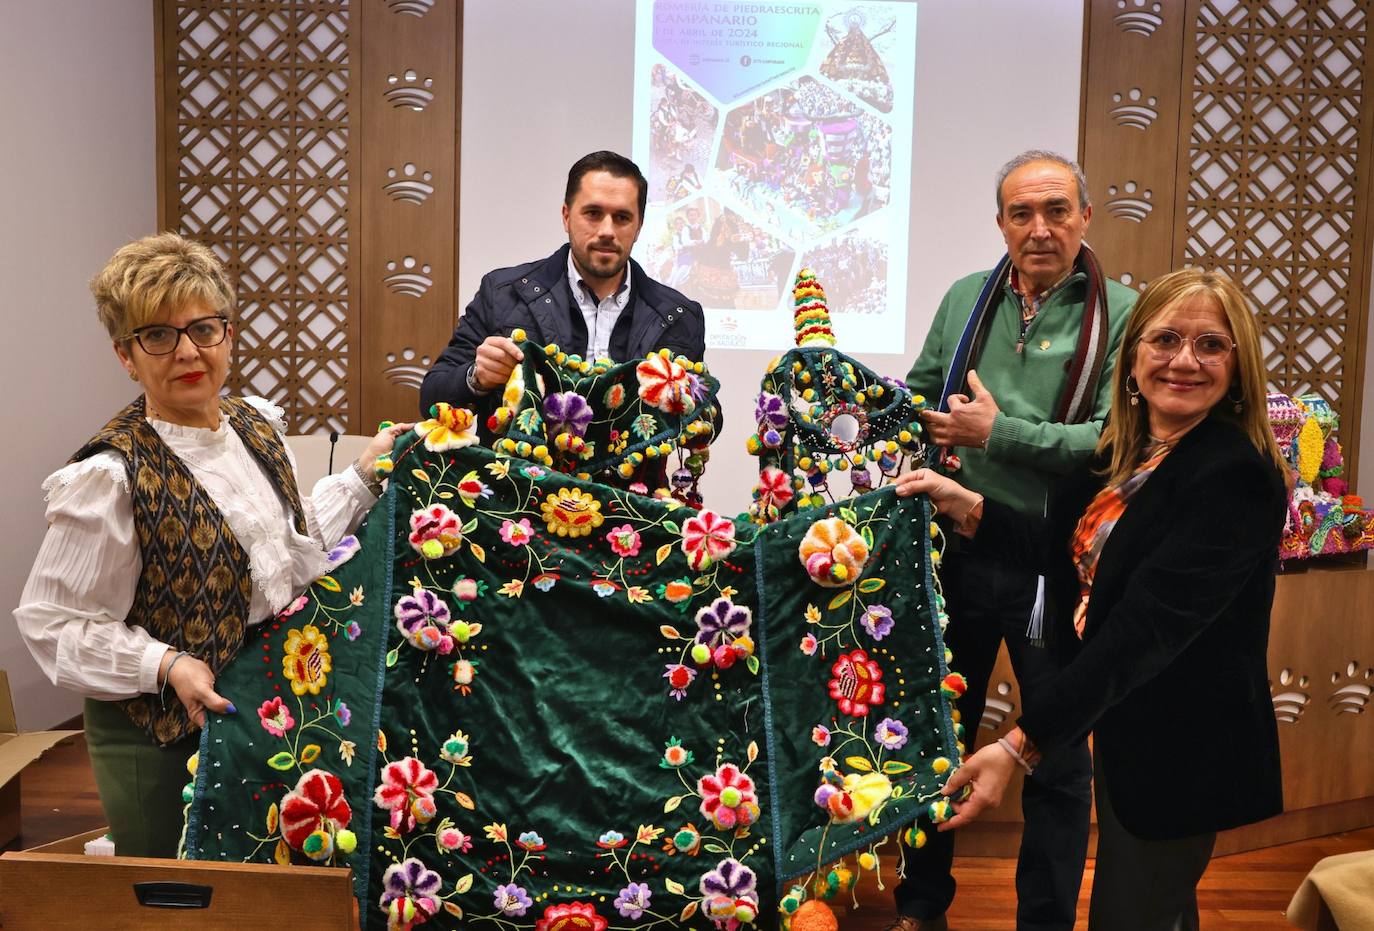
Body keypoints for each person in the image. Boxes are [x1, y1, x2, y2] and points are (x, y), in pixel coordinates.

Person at [896, 268, 1287, 930]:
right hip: (1128, 728)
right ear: (1133, 360)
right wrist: (966, 506)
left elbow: (1142, 632)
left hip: (1185, 749)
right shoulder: (1122, 455)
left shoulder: (1235, 477)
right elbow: (1057, 548)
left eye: (1211, 344)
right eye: (1165, 339)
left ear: (1239, 367)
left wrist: (1020, 745)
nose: (1185, 360)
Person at [14, 233, 411, 858]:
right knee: (178, 895)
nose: (187, 352)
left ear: (228, 333)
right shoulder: (111, 476)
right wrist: (166, 664)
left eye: (204, 328)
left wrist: (363, 476)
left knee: (250, 895)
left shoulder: (252, 426)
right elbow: (54, 624)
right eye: (158, 335)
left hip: (257, 709)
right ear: (125, 354)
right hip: (160, 736)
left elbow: (289, 547)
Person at [892, 150, 1136, 930]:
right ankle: (921, 907)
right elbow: (926, 389)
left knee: (1057, 757)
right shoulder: (969, 295)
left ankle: (1045, 922)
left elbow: (1109, 441)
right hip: (955, 554)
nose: (1040, 229)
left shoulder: (1126, 312)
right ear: (1000, 222)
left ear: (1086, 217)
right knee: (934, 739)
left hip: (1052, 565)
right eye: (1021, 214)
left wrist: (998, 434)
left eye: (1057, 210)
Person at [420, 151, 706, 420]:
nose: (607, 231)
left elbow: (708, 418)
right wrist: (476, 377)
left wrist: (681, 397)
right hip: (524, 472)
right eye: (593, 213)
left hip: (635, 474)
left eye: (622, 217)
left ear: (639, 226)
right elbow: (431, 398)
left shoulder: (679, 314)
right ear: (566, 216)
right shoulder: (502, 293)